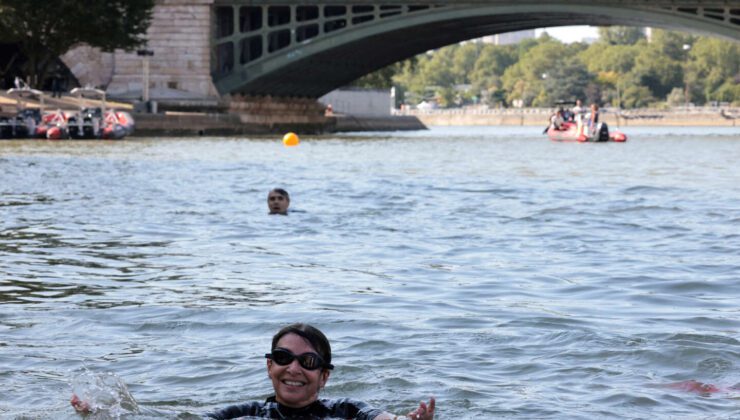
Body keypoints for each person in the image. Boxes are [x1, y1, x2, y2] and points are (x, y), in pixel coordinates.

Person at [205, 323, 436, 420]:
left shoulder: (345, 410)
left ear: (324, 376)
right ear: (269, 366)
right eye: (283, 358)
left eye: (308, 361)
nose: (293, 369)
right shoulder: (245, 413)